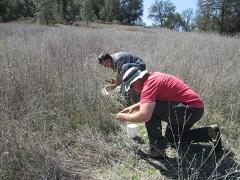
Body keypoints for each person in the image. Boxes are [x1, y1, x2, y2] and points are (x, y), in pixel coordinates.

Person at [115, 67, 222, 158]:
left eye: (131, 87)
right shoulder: (152, 77)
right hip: (195, 110)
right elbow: (151, 99)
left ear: (136, 81)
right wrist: (133, 107)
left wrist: (123, 117)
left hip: (189, 110)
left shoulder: (149, 85)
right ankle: (209, 132)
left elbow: (144, 116)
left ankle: (157, 150)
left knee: (151, 111)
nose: (133, 90)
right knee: (172, 138)